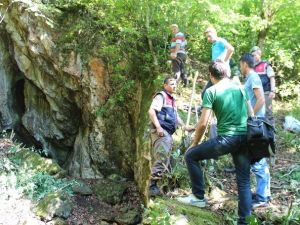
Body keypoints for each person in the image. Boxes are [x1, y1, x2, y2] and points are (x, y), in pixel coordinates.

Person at [177, 60, 252, 225]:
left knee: (191, 156)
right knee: (244, 181)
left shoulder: (211, 91)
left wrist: (194, 143)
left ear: (211, 76)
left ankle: (198, 197)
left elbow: (204, 123)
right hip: (245, 138)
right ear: (227, 73)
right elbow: (251, 115)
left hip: (226, 139)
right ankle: (244, 222)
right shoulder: (240, 88)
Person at [148, 77, 193, 196]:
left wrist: (185, 127)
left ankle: (155, 187)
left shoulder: (172, 100)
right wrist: (158, 127)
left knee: (166, 159)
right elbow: (152, 111)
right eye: (171, 84)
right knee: (162, 158)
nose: (174, 86)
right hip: (161, 132)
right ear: (165, 85)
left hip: (167, 133)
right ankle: (150, 187)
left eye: (175, 84)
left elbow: (176, 117)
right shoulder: (161, 96)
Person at [240, 53, 271, 209]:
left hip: (256, 125)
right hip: (254, 124)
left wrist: (251, 117)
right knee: (258, 159)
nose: (240, 68)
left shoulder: (253, 77)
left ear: (245, 64)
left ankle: (262, 197)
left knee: (258, 161)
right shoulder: (250, 79)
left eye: (240, 65)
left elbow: (261, 99)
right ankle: (264, 193)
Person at [250, 46, 276, 125]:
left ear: (259, 54)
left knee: (268, 113)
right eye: (252, 55)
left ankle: (271, 133)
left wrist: (272, 91)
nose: (253, 57)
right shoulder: (251, 67)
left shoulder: (265, 64)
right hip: (255, 94)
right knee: (257, 113)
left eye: (255, 55)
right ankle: (261, 132)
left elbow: (272, 78)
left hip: (266, 93)